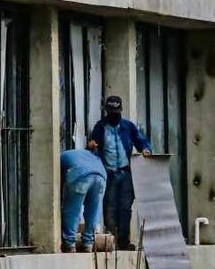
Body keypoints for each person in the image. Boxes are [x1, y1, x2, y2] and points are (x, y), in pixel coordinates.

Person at [88, 96, 152, 250]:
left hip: (125, 172)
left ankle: (123, 241)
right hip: (108, 172)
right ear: (106, 112)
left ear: (120, 111)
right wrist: (92, 145)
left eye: (115, 113)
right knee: (110, 206)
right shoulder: (100, 127)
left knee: (125, 207)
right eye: (110, 112)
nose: (113, 116)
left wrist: (146, 149)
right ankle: (112, 241)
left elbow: (141, 141)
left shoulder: (128, 126)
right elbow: (92, 144)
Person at [60, 148, 107, 253]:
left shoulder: (61, 157)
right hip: (101, 177)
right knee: (93, 211)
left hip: (80, 175)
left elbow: (59, 179)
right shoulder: (88, 155)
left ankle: (70, 244)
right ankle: (88, 244)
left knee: (73, 211)